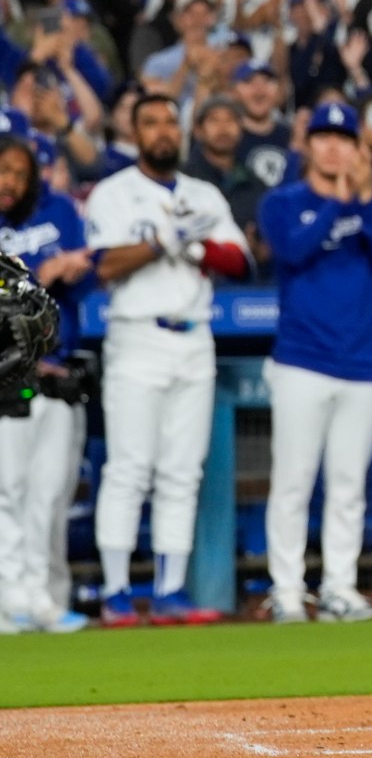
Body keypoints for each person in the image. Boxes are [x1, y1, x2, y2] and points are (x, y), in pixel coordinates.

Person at [84, 94, 250, 625]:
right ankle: (115, 592)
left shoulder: (203, 193)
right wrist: (165, 241)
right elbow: (105, 264)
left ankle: (170, 590)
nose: (162, 131)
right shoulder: (114, 193)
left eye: (168, 123)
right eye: (150, 123)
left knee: (182, 471)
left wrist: (197, 247)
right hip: (138, 335)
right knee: (130, 467)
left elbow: (241, 261)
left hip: (194, 336)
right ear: (135, 133)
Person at [254, 101, 372, 623]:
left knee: (347, 485)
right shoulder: (284, 201)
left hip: (358, 362)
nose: (334, 146)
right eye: (324, 137)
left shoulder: (371, 204)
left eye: (344, 137)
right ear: (307, 145)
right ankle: (288, 591)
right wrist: (339, 203)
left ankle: (340, 586)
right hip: (301, 360)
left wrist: (364, 197)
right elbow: (293, 252)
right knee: (293, 480)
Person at [0, 133, 96, 634]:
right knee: (7, 490)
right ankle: (11, 596)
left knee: (50, 493)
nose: (8, 180)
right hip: (6, 378)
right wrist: (44, 271)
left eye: (17, 171)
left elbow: (91, 272)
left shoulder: (59, 208)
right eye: (1, 169)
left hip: (56, 372)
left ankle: (41, 596)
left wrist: (66, 271)